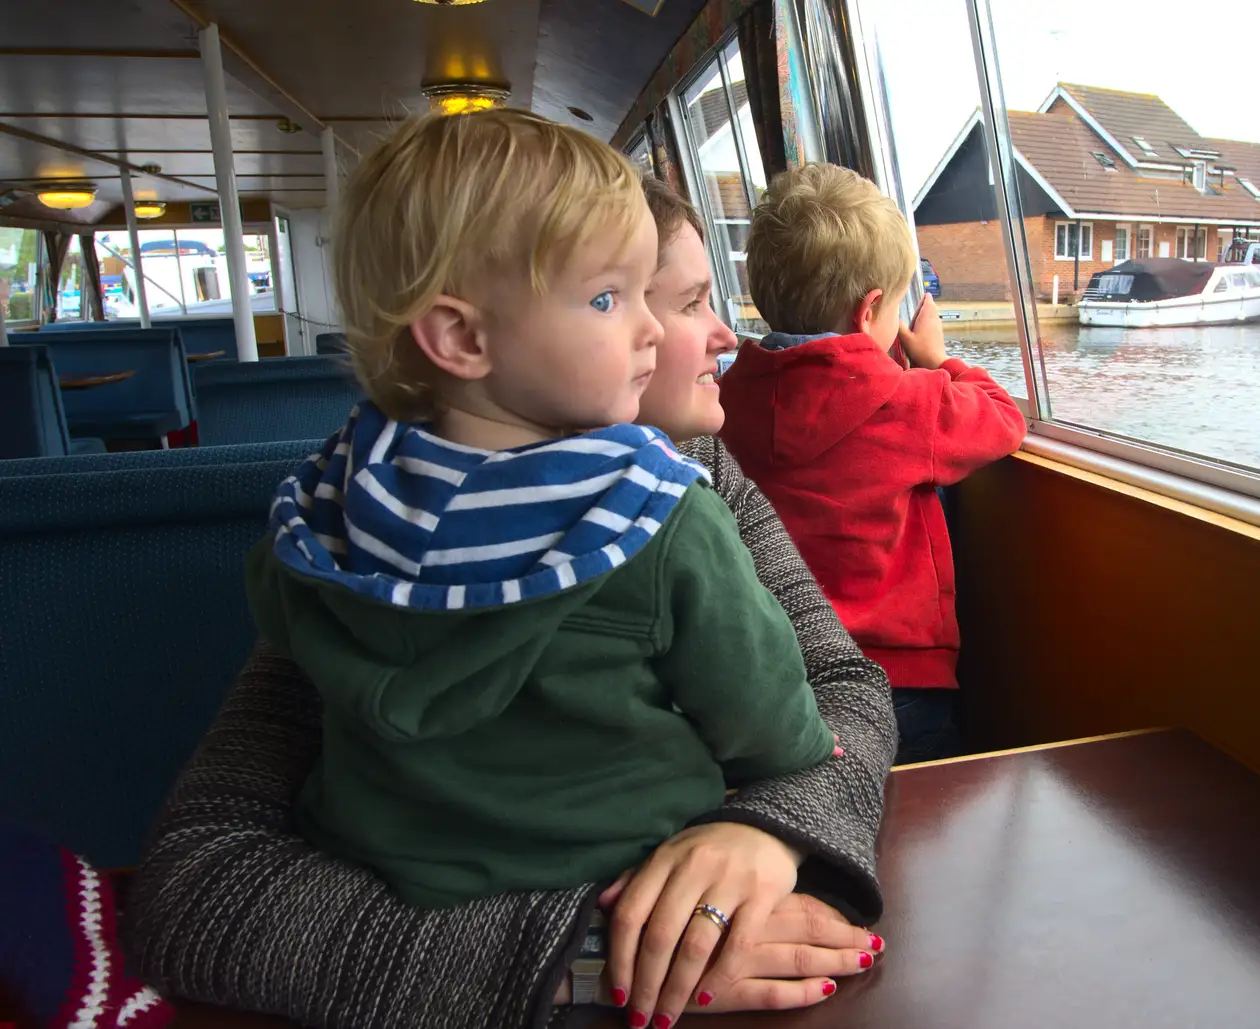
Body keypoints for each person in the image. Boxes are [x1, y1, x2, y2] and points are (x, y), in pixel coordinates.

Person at [122, 165, 897, 1029]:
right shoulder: (360, 538)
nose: (726, 335)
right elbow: (194, 892)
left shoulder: (701, 474)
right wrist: (602, 953)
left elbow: (845, 687)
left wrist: (763, 831)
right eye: (680, 302)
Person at [718, 163, 1027, 766]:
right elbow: (1002, 418)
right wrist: (938, 360)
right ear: (871, 310)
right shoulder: (909, 401)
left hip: (769, 680)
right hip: (897, 680)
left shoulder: (723, 404)